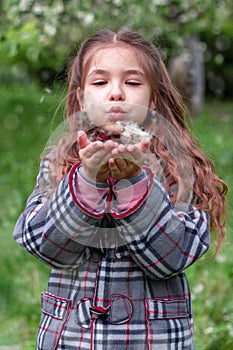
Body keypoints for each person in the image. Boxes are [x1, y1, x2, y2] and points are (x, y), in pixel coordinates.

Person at [13, 29, 227, 350]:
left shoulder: (176, 167)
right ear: (83, 97)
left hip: (154, 341)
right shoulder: (61, 163)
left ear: (153, 98)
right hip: (72, 338)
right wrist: (86, 181)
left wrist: (135, 184)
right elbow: (44, 245)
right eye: (100, 83)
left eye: (132, 82)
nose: (116, 93)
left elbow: (173, 257)